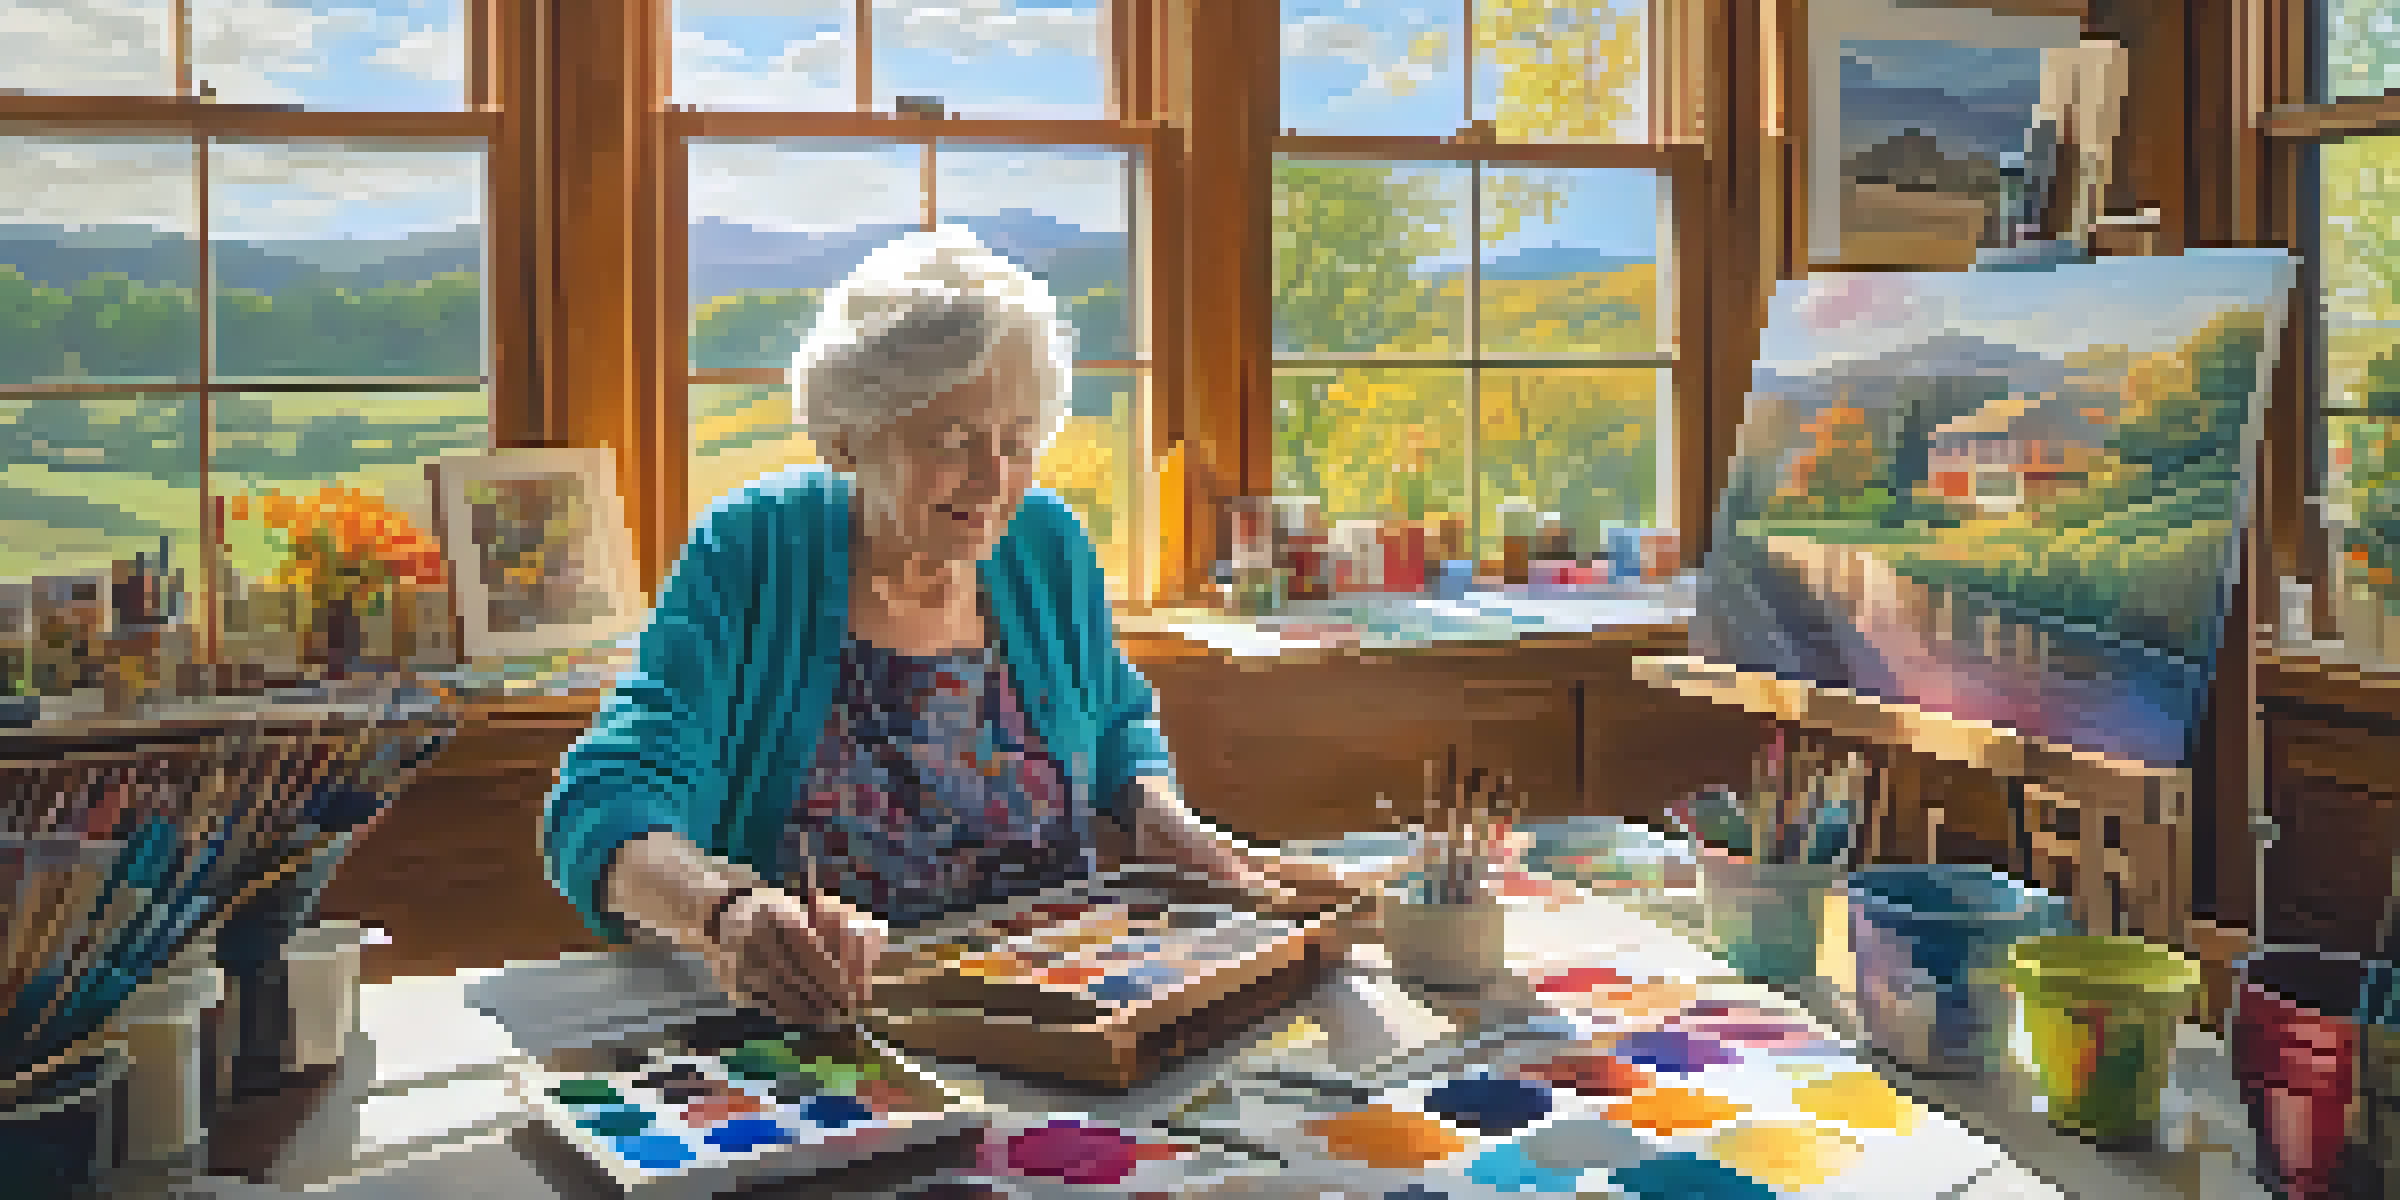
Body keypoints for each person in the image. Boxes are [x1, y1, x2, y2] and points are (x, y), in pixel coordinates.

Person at [543, 226, 1353, 1028]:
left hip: (1067, 1016)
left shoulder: (1045, 543)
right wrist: (724, 913)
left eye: (1016, 444)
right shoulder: (754, 551)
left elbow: (1110, 722)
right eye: (954, 442)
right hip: (829, 1030)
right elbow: (602, 802)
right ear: (848, 438)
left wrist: (1164, 823)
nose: (993, 482)